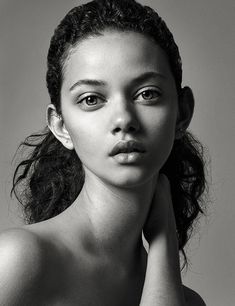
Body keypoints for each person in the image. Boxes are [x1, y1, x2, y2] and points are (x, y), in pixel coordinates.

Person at [0, 0, 207, 305]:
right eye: (92, 99)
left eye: (147, 94)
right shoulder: (17, 261)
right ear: (61, 126)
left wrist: (164, 243)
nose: (123, 119)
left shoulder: (185, 300)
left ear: (182, 112)